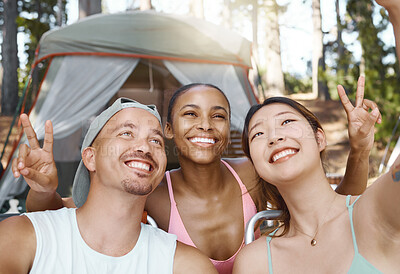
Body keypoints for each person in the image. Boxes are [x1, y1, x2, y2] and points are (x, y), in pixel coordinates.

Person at [14, 82, 380, 274]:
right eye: (191, 114)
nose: (205, 124)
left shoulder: (253, 173)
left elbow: (333, 214)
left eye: (218, 115)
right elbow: (69, 214)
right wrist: (45, 188)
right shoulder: (155, 189)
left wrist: (359, 151)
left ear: (228, 129)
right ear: (170, 130)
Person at [1, 98, 216, 273]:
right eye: (126, 133)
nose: (144, 147)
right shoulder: (21, 237)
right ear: (90, 158)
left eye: (156, 141)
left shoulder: (186, 266)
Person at [233, 77, 399, 273]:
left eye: (286, 121)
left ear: (319, 139)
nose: (274, 137)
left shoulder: (374, 211)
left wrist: (360, 149)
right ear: (255, 165)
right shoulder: (253, 262)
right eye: (258, 134)